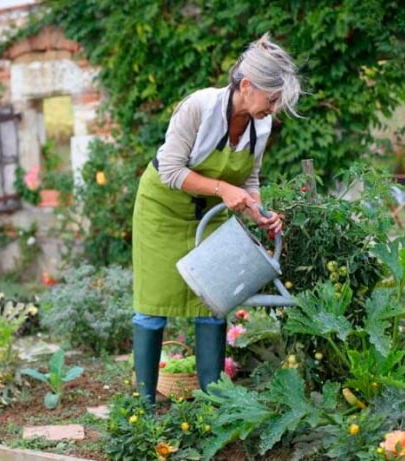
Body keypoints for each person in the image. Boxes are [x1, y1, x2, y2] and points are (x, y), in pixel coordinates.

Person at [132, 33, 301, 404]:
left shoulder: (261, 125)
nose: (273, 109)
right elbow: (170, 170)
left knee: (213, 299)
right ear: (246, 85)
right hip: (162, 211)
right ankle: (144, 405)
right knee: (152, 306)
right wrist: (224, 189)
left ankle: (213, 401)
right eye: (271, 99)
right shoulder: (199, 108)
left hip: (207, 216)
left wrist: (259, 211)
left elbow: (250, 178)